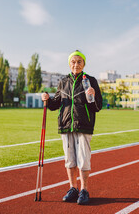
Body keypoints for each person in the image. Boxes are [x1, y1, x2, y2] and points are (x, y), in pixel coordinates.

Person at [41, 50, 102, 205]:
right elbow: (55, 104)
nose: (76, 64)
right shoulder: (63, 82)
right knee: (70, 160)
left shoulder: (91, 80)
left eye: (79, 62)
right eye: (73, 62)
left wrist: (93, 94)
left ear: (84, 64)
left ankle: (84, 190)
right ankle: (72, 188)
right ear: (69, 64)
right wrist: (47, 99)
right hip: (66, 125)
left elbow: (98, 106)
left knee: (83, 160)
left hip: (84, 125)